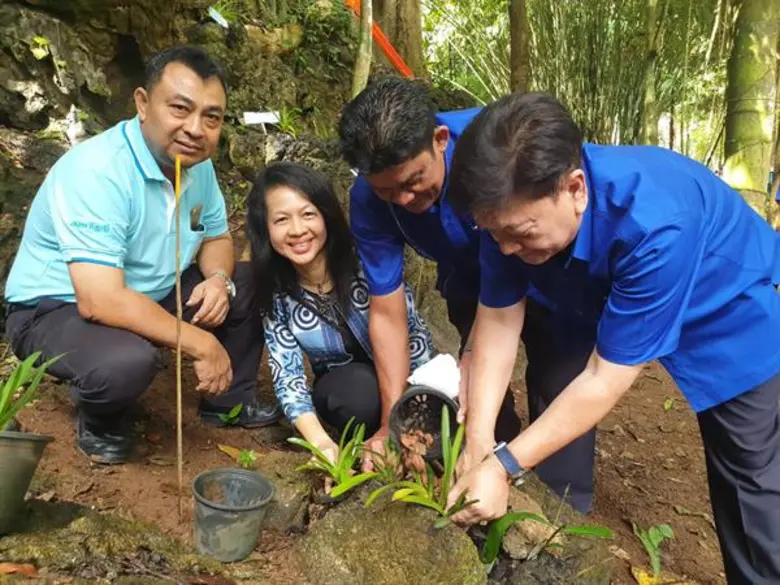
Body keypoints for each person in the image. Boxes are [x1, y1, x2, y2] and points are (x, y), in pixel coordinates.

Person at [444, 92, 780, 585]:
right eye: (495, 234)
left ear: (575, 188)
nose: (506, 248)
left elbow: (604, 378)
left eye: (521, 233)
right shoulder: (508, 214)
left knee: (750, 478)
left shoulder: (656, 220)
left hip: (725, 303)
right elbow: (496, 320)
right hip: (594, 288)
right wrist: (477, 444)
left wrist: (501, 466)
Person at [3, 45, 281, 465]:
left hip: (152, 289)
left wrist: (218, 281)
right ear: (143, 103)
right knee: (127, 361)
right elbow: (99, 300)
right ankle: (100, 416)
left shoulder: (196, 165)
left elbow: (216, 238)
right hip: (55, 308)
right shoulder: (98, 171)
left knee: (252, 280)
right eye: (180, 109)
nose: (195, 129)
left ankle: (228, 399)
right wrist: (200, 342)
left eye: (211, 117)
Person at [338, 76, 529, 475]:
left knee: (556, 378)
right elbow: (387, 312)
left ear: (440, 140)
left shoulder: (493, 148)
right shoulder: (367, 201)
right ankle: (492, 453)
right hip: (468, 275)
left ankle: (558, 489)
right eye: (387, 191)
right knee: (478, 383)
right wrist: (392, 425)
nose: (405, 200)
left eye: (414, 181)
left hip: (540, 265)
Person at [245, 161, 435, 460]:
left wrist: (422, 403)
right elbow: (288, 376)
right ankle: (368, 442)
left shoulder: (367, 261)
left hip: (404, 375)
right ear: (265, 229)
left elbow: (415, 335)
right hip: (345, 388)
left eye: (308, 214)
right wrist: (320, 443)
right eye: (281, 219)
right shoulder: (276, 293)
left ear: (326, 215)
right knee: (358, 393)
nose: (297, 230)